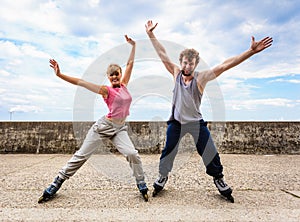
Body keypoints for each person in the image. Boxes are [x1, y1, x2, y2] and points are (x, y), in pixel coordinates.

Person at [145, 20, 273, 202]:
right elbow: (162, 53)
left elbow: (225, 65)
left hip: (196, 122)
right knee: (168, 150)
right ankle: (163, 176)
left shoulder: (201, 78)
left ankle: (219, 179)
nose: (187, 66)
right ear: (180, 63)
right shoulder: (175, 73)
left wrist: (250, 52)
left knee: (209, 151)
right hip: (176, 122)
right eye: (185, 63)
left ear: (195, 65)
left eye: (191, 64)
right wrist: (151, 35)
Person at [38, 35, 149, 203]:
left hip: (120, 129)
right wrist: (59, 74)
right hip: (103, 127)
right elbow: (81, 82)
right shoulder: (106, 91)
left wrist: (133, 46)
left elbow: (131, 64)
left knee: (132, 153)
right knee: (82, 155)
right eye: (111, 75)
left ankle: (141, 183)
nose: (114, 77)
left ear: (120, 74)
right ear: (108, 77)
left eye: (116, 74)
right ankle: (57, 182)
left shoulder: (125, 84)